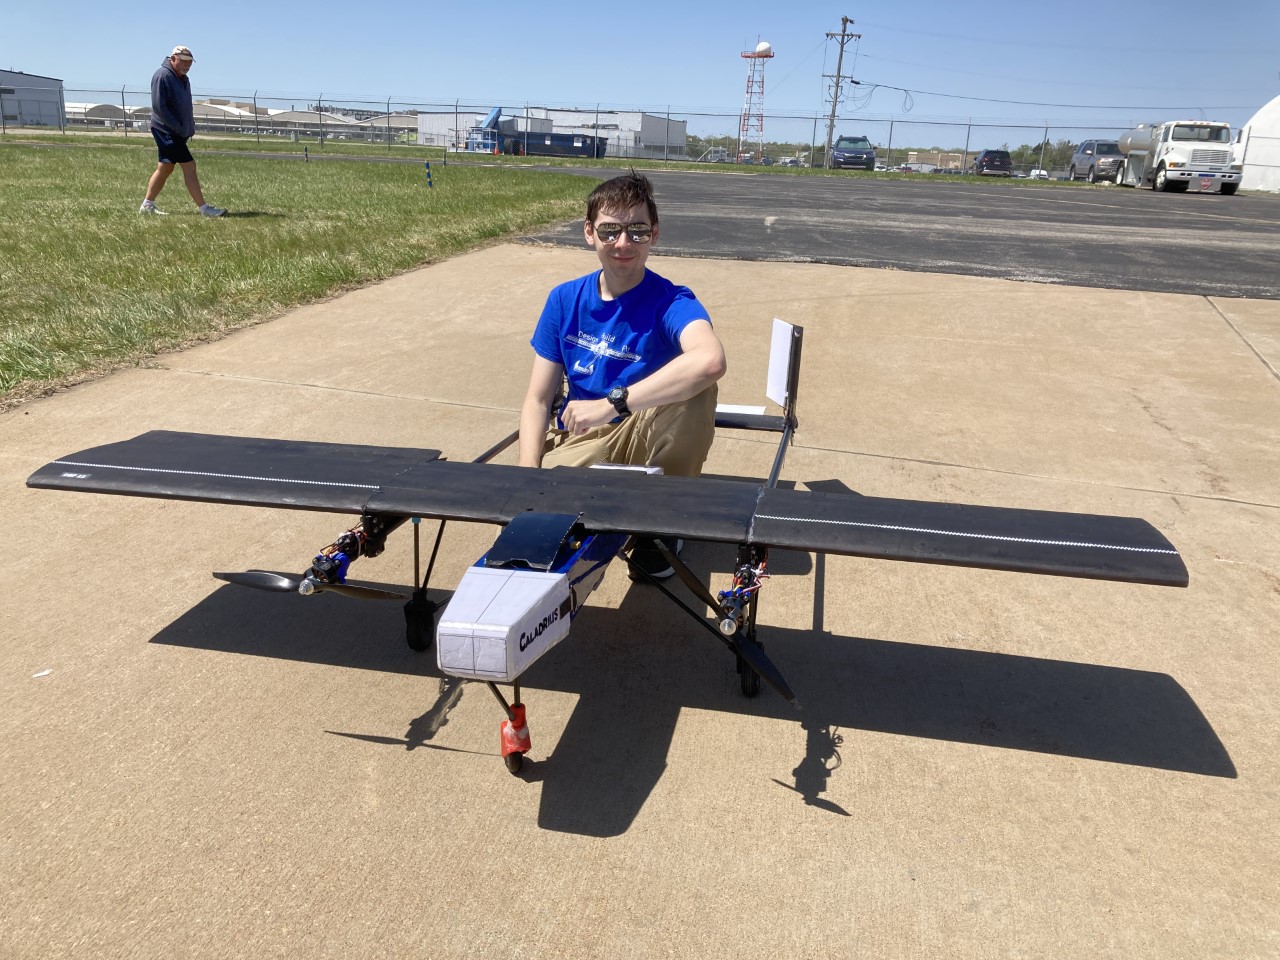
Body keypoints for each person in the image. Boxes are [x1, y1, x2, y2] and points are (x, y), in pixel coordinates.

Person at [518, 171, 727, 579]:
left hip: (644, 429)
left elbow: (710, 360)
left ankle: (660, 526)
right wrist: (528, 478)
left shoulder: (671, 300)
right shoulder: (564, 299)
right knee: (551, 519)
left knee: (698, 389)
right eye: (610, 230)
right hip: (583, 439)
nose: (623, 243)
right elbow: (538, 399)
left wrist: (612, 404)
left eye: (637, 231)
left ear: (655, 234)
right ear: (589, 233)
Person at [140, 45, 225, 217]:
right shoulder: (162, 76)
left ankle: (147, 205)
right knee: (189, 166)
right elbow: (159, 107)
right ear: (173, 59)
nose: (187, 65)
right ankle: (204, 209)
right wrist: (178, 128)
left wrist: (189, 126)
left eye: (190, 62)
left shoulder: (183, 79)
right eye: (183, 61)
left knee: (165, 168)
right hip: (167, 131)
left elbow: (184, 106)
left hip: (178, 131)